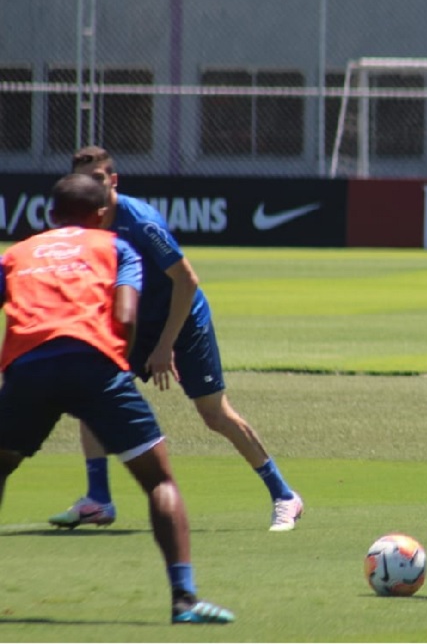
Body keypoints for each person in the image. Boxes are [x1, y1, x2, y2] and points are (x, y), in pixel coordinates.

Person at [0, 174, 234, 624]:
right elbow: (125, 314)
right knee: (159, 481)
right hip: (95, 367)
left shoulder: (18, 252)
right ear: (103, 214)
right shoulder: (116, 247)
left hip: (29, 368)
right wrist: (118, 368)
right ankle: (184, 600)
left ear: (50, 215)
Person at [49, 146, 303, 532]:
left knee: (214, 414)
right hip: (137, 324)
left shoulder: (141, 222)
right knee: (92, 395)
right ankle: (98, 499)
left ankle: (284, 495)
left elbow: (186, 281)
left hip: (182, 319)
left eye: (99, 179)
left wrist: (165, 346)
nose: (93, 187)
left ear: (113, 180)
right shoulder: (84, 224)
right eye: (86, 180)